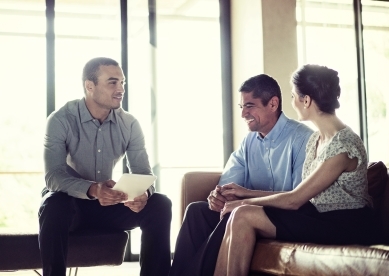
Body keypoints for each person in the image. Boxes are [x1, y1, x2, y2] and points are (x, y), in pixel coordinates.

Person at [213, 64, 378, 276]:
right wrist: (243, 193)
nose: (291, 103)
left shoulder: (344, 145)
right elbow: (297, 196)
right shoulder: (316, 141)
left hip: (344, 223)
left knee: (243, 213)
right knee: (240, 214)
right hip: (316, 215)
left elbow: (294, 199)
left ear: (306, 100)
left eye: (293, 96)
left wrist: (243, 201)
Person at [169, 74, 313, 276]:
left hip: (281, 217)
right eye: (241, 107)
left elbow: (297, 197)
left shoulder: (302, 139)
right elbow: (229, 183)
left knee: (234, 213)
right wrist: (219, 196)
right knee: (197, 211)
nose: (243, 113)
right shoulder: (249, 142)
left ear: (273, 104)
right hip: (246, 210)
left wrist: (245, 197)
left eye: (250, 106)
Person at [39, 57, 172, 276]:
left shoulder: (129, 124)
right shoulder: (60, 119)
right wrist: (93, 189)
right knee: (54, 203)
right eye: (112, 82)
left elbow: (143, 172)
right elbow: (53, 176)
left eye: (123, 82)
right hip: (70, 207)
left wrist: (142, 194)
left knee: (159, 204)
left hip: (107, 206)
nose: (121, 89)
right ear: (89, 86)